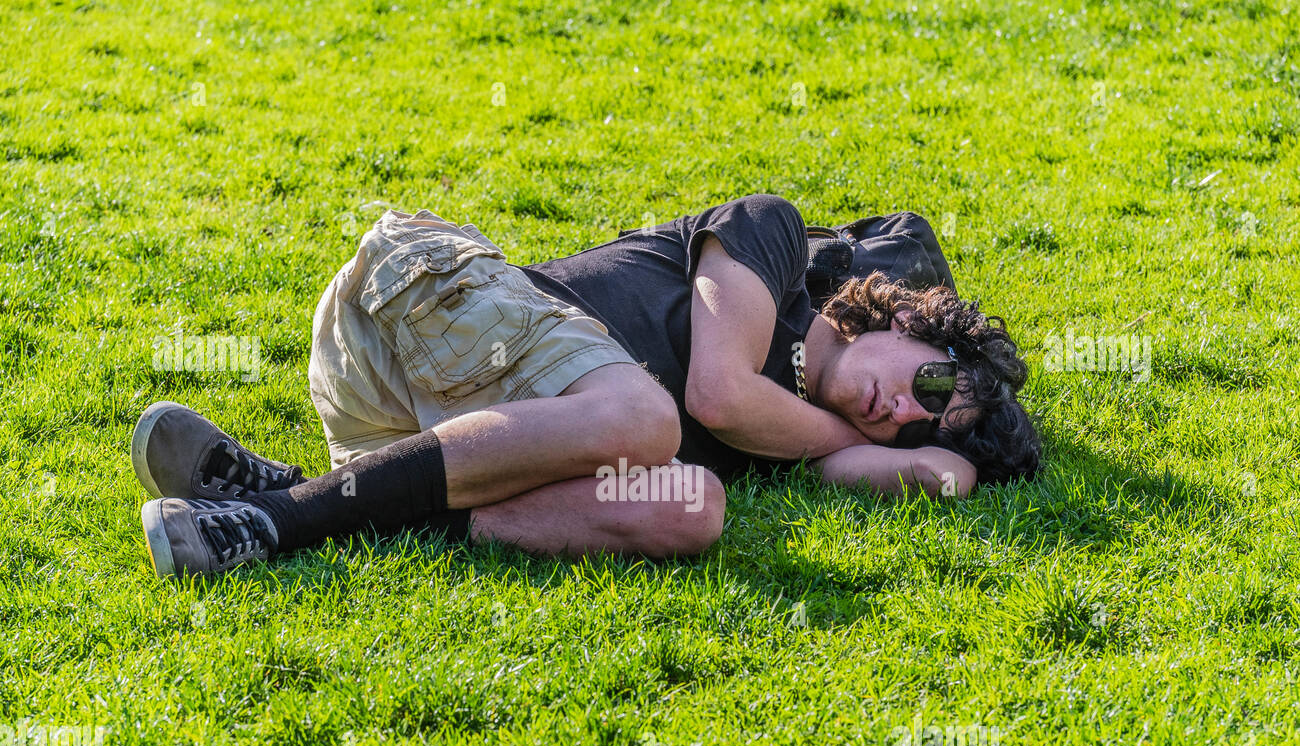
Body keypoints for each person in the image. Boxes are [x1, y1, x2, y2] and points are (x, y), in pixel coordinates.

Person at [133, 195, 1039, 577]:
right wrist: (867, 439)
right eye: (930, 379)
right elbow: (720, 397)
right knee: (650, 418)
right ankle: (278, 522)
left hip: (429, 427)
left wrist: (943, 459)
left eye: (925, 422)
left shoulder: (809, 437)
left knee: (692, 505)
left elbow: (933, 478)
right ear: (905, 318)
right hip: (415, 298)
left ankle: (315, 489)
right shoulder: (770, 237)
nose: (905, 411)